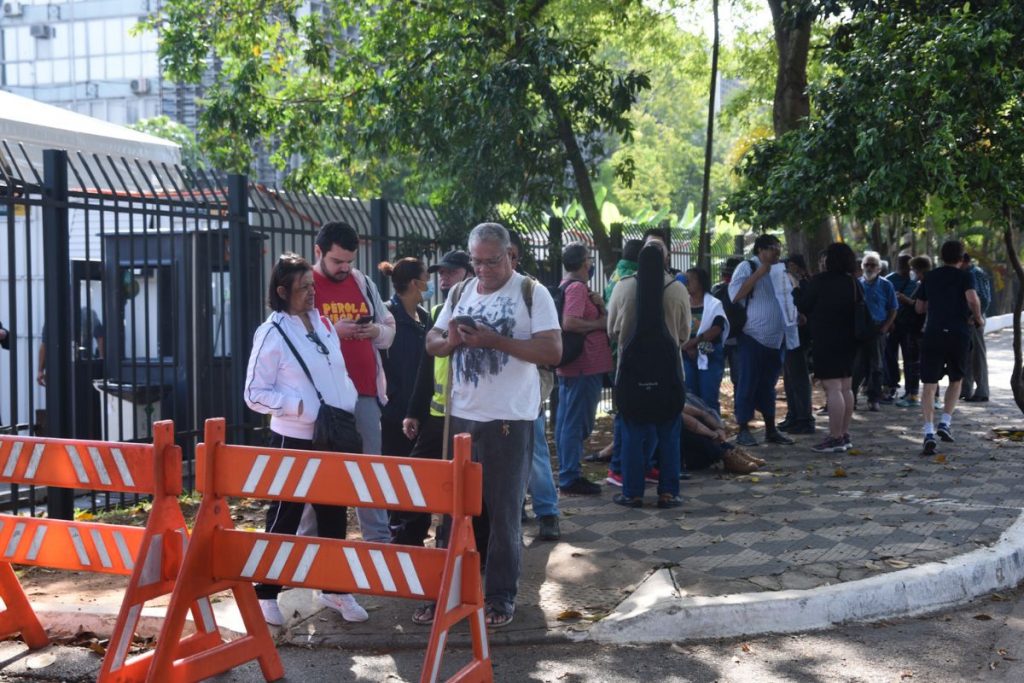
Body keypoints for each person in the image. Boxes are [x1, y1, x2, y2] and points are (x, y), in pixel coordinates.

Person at [425, 222, 561, 628]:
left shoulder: (531, 293)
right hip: (463, 417)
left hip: (509, 419)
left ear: (510, 254)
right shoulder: (459, 291)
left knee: (504, 513)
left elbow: (553, 351)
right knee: (453, 513)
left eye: (492, 261)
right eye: (476, 262)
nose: (483, 270)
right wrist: (450, 341)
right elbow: (431, 340)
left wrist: (495, 341)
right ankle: (447, 591)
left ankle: (501, 596)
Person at [243, 253, 368, 626]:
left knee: (333, 515)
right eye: (303, 288)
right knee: (285, 515)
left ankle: (334, 589)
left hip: (333, 435)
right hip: (294, 438)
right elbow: (253, 393)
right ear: (282, 292)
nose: (312, 293)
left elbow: (337, 372)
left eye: (312, 286)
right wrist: (297, 406)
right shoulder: (272, 333)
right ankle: (266, 592)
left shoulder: (324, 325)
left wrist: (344, 397)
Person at [310, 221, 395, 543]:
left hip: (365, 392)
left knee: (369, 471)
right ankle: (309, 547)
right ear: (318, 252)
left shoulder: (362, 282)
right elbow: (290, 334)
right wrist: (334, 330)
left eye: (350, 261)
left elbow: (389, 329)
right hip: (322, 399)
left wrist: (376, 332)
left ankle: (378, 543)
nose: (345, 268)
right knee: (317, 474)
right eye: (337, 262)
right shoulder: (305, 283)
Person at [395, 252, 474, 564]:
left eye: (452, 274)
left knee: (468, 489)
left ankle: (467, 551)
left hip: (470, 419)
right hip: (438, 417)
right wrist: (414, 411)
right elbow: (426, 369)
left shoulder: (482, 312)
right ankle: (409, 544)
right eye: (441, 274)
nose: (444, 281)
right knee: (417, 479)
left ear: (469, 274)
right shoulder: (440, 312)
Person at [607, 240, 690, 508]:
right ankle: (669, 493)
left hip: (631, 373)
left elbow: (612, 330)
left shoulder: (623, 286)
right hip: (669, 373)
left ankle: (632, 493)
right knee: (669, 434)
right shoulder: (678, 289)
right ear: (666, 259)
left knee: (632, 433)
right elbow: (685, 333)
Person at [728, 234, 799, 448]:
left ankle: (770, 429)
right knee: (747, 383)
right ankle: (743, 429)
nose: (777, 253)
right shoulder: (747, 266)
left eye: (779, 248)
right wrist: (759, 273)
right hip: (752, 336)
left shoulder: (781, 270)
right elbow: (735, 295)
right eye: (772, 249)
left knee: (768, 386)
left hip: (776, 340)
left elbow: (786, 298)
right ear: (760, 250)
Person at [915, 240, 984, 455]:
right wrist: (978, 318)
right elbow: (972, 298)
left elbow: (919, 307)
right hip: (958, 333)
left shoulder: (930, 276)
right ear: (962, 258)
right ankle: (945, 422)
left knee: (929, 383)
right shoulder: (966, 275)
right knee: (956, 378)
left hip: (933, 333)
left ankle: (928, 432)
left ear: (941, 256)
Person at [555, 242, 613, 496]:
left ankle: (569, 472)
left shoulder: (566, 285)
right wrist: (601, 322)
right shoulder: (577, 287)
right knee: (577, 423)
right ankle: (570, 475)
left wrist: (599, 305)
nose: (591, 264)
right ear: (583, 262)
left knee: (569, 421)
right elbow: (569, 322)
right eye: (589, 259)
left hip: (577, 366)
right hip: (584, 364)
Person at [799, 243, 859, 453]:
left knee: (832, 388)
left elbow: (804, 305)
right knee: (845, 387)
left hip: (826, 339)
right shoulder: (852, 283)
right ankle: (844, 433)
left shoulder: (819, 281)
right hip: (850, 340)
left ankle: (834, 437)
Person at [379, 258, 432, 459]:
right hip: (393, 413)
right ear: (414, 283)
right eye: (426, 278)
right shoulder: (386, 314)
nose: (429, 283)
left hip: (421, 412)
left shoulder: (425, 317)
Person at [851, 251, 898, 411]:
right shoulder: (856, 284)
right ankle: (852, 398)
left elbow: (893, 308)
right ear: (862, 267)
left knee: (876, 365)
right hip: (859, 329)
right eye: (867, 265)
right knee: (857, 365)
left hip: (878, 328)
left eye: (873, 265)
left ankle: (874, 398)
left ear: (879, 268)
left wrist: (885, 326)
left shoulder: (886, 285)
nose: (870, 268)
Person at [681, 266, 728, 414]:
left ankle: (715, 431)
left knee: (709, 397)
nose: (686, 282)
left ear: (700, 282)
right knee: (691, 397)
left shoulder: (714, 304)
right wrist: (687, 347)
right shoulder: (682, 304)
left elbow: (717, 328)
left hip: (709, 353)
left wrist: (694, 343)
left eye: (690, 279)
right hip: (687, 354)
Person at [779, 254, 815, 434]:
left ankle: (804, 418)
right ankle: (793, 414)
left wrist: (795, 285)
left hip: (800, 337)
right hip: (788, 335)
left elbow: (802, 304)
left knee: (799, 378)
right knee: (789, 377)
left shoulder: (805, 283)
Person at [894, 256, 931, 408]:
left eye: (914, 270)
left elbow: (921, 306)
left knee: (915, 363)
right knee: (914, 362)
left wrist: (905, 300)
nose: (912, 272)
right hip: (916, 327)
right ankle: (912, 393)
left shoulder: (926, 283)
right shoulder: (923, 283)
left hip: (919, 328)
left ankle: (914, 394)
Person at [884, 254, 918, 403]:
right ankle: (891, 384)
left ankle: (911, 390)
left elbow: (918, 303)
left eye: (907, 265)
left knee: (909, 357)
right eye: (902, 265)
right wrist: (888, 322)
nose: (905, 268)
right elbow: (884, 302)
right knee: (889, 355)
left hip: (909, 324)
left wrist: (906, 300)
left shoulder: (914, 281)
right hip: (892, 324)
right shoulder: (888, 280)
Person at [959, 253, 991, 402]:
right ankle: (966, 388)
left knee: (977, 355)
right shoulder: (966, 274)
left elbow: (984, 298)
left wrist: (976, 316)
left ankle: (982, 390)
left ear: (964, 261)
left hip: (974, 319)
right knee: (966, 355)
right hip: (965, 319)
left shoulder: (975, 273)